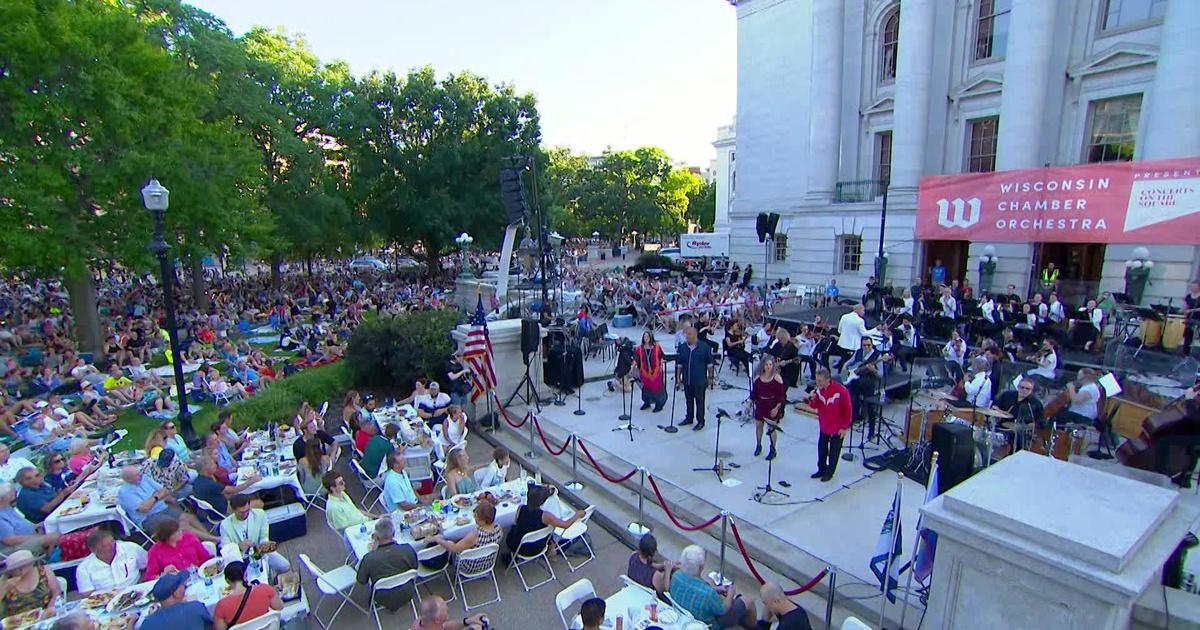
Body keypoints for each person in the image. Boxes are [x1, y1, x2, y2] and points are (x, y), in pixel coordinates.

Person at [116, 466, 215, 542]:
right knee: (180, 525)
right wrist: (156, 496)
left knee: (189, 517)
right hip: (148, 518)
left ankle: (208, 539)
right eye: (137, 475)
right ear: (128, 480)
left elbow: (165, 490)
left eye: (139, 473)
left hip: (163, 508)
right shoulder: (125, 493)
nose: (140, 475)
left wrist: (152, 499)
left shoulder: (145, 479)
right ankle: (214, 540)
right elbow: (144, 509)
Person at [669, 545, 757, 629]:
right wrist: (731, 593)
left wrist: (716, 589)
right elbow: (723, 609)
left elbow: (695, 589)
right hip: (709, 625)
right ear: (701, 567)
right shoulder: (708, 594)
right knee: (748, 601)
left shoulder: (676, 576)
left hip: (684, 616)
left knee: (709, 580)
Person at [505, 484, 583, 561]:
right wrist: (577, 515)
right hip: (537, 547)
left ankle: (551, 549)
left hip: (515, 545)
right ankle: (552, 550)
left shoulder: (521, 508)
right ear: (543, 502)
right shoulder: (545, 516)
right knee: (553, 535)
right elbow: (565, 525)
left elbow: (515, 524)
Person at [356, 518, 419, 613]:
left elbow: (361, 580)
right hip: (407, 592)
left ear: (376, 537)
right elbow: (415, 567)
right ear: (393, 534)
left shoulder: (369, 558)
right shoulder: (407, 549)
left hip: (382, 597)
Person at [802, 369, 852, 482]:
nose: (818, 383)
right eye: (817, 380)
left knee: (834, 451)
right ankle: (821, 469)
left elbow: (848, 410)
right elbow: (814, 405)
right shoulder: (819, 391)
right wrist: (810, 398)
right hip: (825, 425)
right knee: (822, 448)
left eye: (820, 381)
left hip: (837, 427)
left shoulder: (841, 391)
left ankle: (830, 472)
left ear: (827, 380)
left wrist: (845, 427)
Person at [220, 495, 290, 572]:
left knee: (284, 566)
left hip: (260, 551)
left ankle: (275, 577)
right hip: (240, 557)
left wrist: (263, 546)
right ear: (233, 510)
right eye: (241, 512)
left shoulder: (260, 514)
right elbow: (226, 549)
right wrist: (238, 547)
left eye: (247, 510)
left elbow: (264, 536)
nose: (245, 514)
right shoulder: (225, 525)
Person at [212, 560, 284, 630]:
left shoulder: (221, 606)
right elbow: (279, 606)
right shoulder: (265, 589)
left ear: (227, 580)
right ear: (245, 575)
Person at [430, 501, 503, 566]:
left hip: (471, 565)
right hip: (488, 563)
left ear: (483, 520)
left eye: (476, 516)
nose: (474, 518)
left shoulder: (476, 535)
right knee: (462, 540)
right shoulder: (498, 528)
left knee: (450, 542)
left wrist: (438, 540)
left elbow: (454, 548)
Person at [14, 464, 90, 524]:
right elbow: (47, 508)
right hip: (53, 520)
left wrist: (65, 490)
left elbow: (54, 497)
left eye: (38, 474)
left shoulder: (41, 485)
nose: (40, 477)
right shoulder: (26, 495)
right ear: (24, 481)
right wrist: (63, 493)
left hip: (64, 510)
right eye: (36, 476)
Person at [0, 483, 59, 558]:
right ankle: (49, 559)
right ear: (1, 498)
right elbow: (10, 540)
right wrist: (37, 537)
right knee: (55, 536)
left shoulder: (7, 508)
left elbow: (23, 526)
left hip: (29, 536)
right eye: (9, 492)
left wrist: (38, 527)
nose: (13, 492)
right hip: (16, 547)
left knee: (55, 523)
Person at [76, 529, 147, 592]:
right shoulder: (83, 568)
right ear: (93, 550)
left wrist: (141, 584)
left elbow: (148, 566)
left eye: (113, 542)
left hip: (137, 590)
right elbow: (87, 593)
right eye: (104, 546)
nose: (113, 547)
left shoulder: (131, 548)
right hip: (107, 599)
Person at [0, 550, 60, 621]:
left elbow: (56, 593)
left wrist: (50, 608)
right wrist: (5, 588)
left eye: (24, 565)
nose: (20, 569)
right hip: (17, 622)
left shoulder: (44, 571)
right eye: (16, 568)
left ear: (32, 563)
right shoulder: (5, 581)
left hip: (46, 618)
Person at [139, 572, 213, 630]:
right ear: (176, 593)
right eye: (183, 585)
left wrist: (151, 617)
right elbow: (211, 626)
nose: (184, 586)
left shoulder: (147, 624)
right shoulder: (196, 607)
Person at [144, 519, 212, 579]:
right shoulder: (154, 552)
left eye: (179, 529)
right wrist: (164, 575)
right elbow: (150, 576)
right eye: (176, 532)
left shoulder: (189, 537)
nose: (180, 532)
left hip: (199, 574)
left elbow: (205, 557)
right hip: (176, 583)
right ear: (167, 536)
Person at [193, 456, 260, 516]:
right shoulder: (210, 485)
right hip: (225, 510)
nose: (215, 465)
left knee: (250, 495)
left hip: (217, 506)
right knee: (259, 503)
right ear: (205, 469)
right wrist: (252, 481)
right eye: (213, 464)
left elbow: (218, 494)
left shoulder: (198, 481)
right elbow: (234, 489)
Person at [676, 326, 715, 431]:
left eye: (689, 334)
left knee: (700, 401)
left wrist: (710, 377)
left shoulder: (704, 347)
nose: (687, 336)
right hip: (687, 379)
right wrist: (678, 377)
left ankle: (700, 421)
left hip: (700, 380)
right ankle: (689, 418)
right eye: (686, 334)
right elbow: (679, 364)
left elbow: (710, 364)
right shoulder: (683, 347)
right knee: (688, 400)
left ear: (695, 335)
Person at [750, 356, 785, 460]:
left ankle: (773, 449)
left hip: (772, 406)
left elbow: (781, 396)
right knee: (758, 426)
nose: (768, 367)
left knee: (771, 429)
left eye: (770, 364)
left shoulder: (777, 378)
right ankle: (758, 445)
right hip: (760, 405)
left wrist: (777, 408)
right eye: (766, 365)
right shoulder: (758, 377)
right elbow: (754, 393)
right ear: (763, 366)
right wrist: (750, 403)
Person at [626, 532, 674, 597]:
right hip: (645, 596)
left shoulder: (633, 556)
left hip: (635, 589)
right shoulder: (654, 575)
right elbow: (665, 589)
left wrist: (664, 565)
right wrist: (668, 570)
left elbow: (651, 565)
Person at [411, 596, 487, 630]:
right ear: (437, 619)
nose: (448, 613)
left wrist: (468, 621)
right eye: (445, 611)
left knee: (476, 625)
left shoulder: (423, 622)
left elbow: (444, 626)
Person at [832, 304, 870, 371]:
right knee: (850, 360)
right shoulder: (861, 320)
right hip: (854, 344)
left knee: (845, 359)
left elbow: (839, 330)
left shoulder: (844, 317)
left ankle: (841, 371)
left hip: (843, 343)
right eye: (863, 310)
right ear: (858, 310)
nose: (864, 312)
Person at [635, 331, 667, 412]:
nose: (646, 338)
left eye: (648, 337)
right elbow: (636, 358)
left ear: (651, 337)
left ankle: (659, 404)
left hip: (656, 372)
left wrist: (661, 362)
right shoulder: (640, 349)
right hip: (645, 372)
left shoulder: (657, 347)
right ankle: (647, 402)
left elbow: (661, 356)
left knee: (657, 388)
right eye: (645, 337)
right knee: (646, 388)